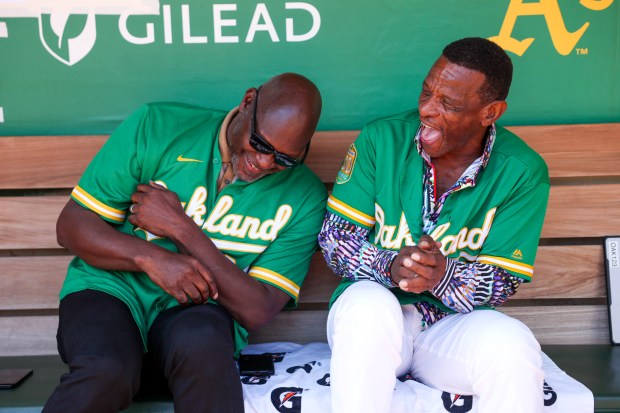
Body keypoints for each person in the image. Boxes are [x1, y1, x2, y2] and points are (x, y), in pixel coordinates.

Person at [43, 73, 326, 413]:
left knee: (204, 350)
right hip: (109, 291)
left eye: (285, 159)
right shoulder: (159, 126)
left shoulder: (305, 195)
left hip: (196, 314)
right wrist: (150, 259)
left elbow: (257, 309)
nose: (265, 163)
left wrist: (182, 228)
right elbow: (71, 226)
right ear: (248, 101)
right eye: (261, 144)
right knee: (107, 370)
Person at [319, 37, 550, 413]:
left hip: (448, 331)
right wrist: (391, 265)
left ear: (490, 112)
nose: (427, 109)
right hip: (375, 320)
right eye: (427, 92)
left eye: (449, 104)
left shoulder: (521, 170)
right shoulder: (383, 140)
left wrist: (441, 276)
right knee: (366, 306)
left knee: (512, 345)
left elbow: (502, 282)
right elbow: (334, 239)